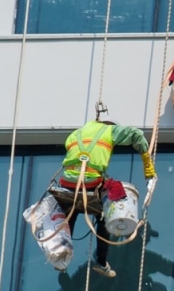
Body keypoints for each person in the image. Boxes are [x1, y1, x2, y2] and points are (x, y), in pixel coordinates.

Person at [56, 114, 156, 278]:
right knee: (104, 217)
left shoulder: (75, 134)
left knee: (71, 210)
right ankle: (102, 262)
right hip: (91, 181)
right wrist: (148, 165)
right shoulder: (110, 130)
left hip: (68, 182)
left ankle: (61, 255)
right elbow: (136, 134)